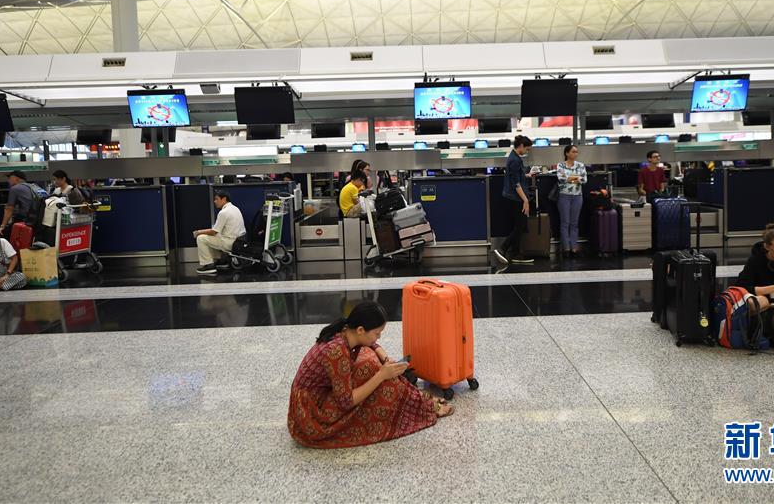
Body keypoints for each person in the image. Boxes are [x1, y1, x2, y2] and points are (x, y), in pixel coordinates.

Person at [287, 301, 452, 449]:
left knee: (373, 362)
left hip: (320, 393)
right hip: (312, 412)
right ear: (360, 330)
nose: (378, 337)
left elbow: (372, 343)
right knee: (383, 382)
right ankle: (421, 405)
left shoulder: (346, 329)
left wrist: (385, 359)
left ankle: (418, 400)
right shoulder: (337, 351)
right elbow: (346, 402)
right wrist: (381, 375)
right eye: (377, 332)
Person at [493, 135, 534, 265]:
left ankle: (517, 255)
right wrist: (525, 200)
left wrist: (527, 175)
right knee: (520, 226)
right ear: (521, 146)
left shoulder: (513, 157)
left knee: (518, 226)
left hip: (512, 197)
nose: (527, 151)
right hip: (516, 198)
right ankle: (502, 248)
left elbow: (515, 176)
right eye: (527, 149)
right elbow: (516, 183)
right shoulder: (515, 160)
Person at [193, 190, 246, 275]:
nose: (214, 201)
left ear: (224, 199)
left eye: (216, 199)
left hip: (229, 242)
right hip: (238, 241)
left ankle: (208, 265)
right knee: (210, 238)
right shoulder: (235, 208)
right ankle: (222, 261)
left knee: (201, 238)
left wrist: (199, 232)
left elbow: (214, 232)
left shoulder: (223, 212)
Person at [0, 171, 45, 238]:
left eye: (10, 178)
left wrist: (2, 226)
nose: (8, 181)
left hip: (28, 220)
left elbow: (9, 209)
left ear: (16, 178)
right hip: (41, 220)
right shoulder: (35, 186)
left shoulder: (15, 188)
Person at [556, 144, 587, 258]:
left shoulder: (581, 165)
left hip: (577, 196)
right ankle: (566, 248)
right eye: (573, 152)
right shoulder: (560, 165)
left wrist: (570, 178)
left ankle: (574, 247)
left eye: (576, 152)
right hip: (564, 196)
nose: (575, 154)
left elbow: (584, 180)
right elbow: (562, 179)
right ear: (567, 153)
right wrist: (576, 178)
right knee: (565, 222)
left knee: (574, 223)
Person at [0, 225, 27, 291]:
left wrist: (7, 275)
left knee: (22, 278)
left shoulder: (1, 242)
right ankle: (2, 286)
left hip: (6, 274)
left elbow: (14, 258)